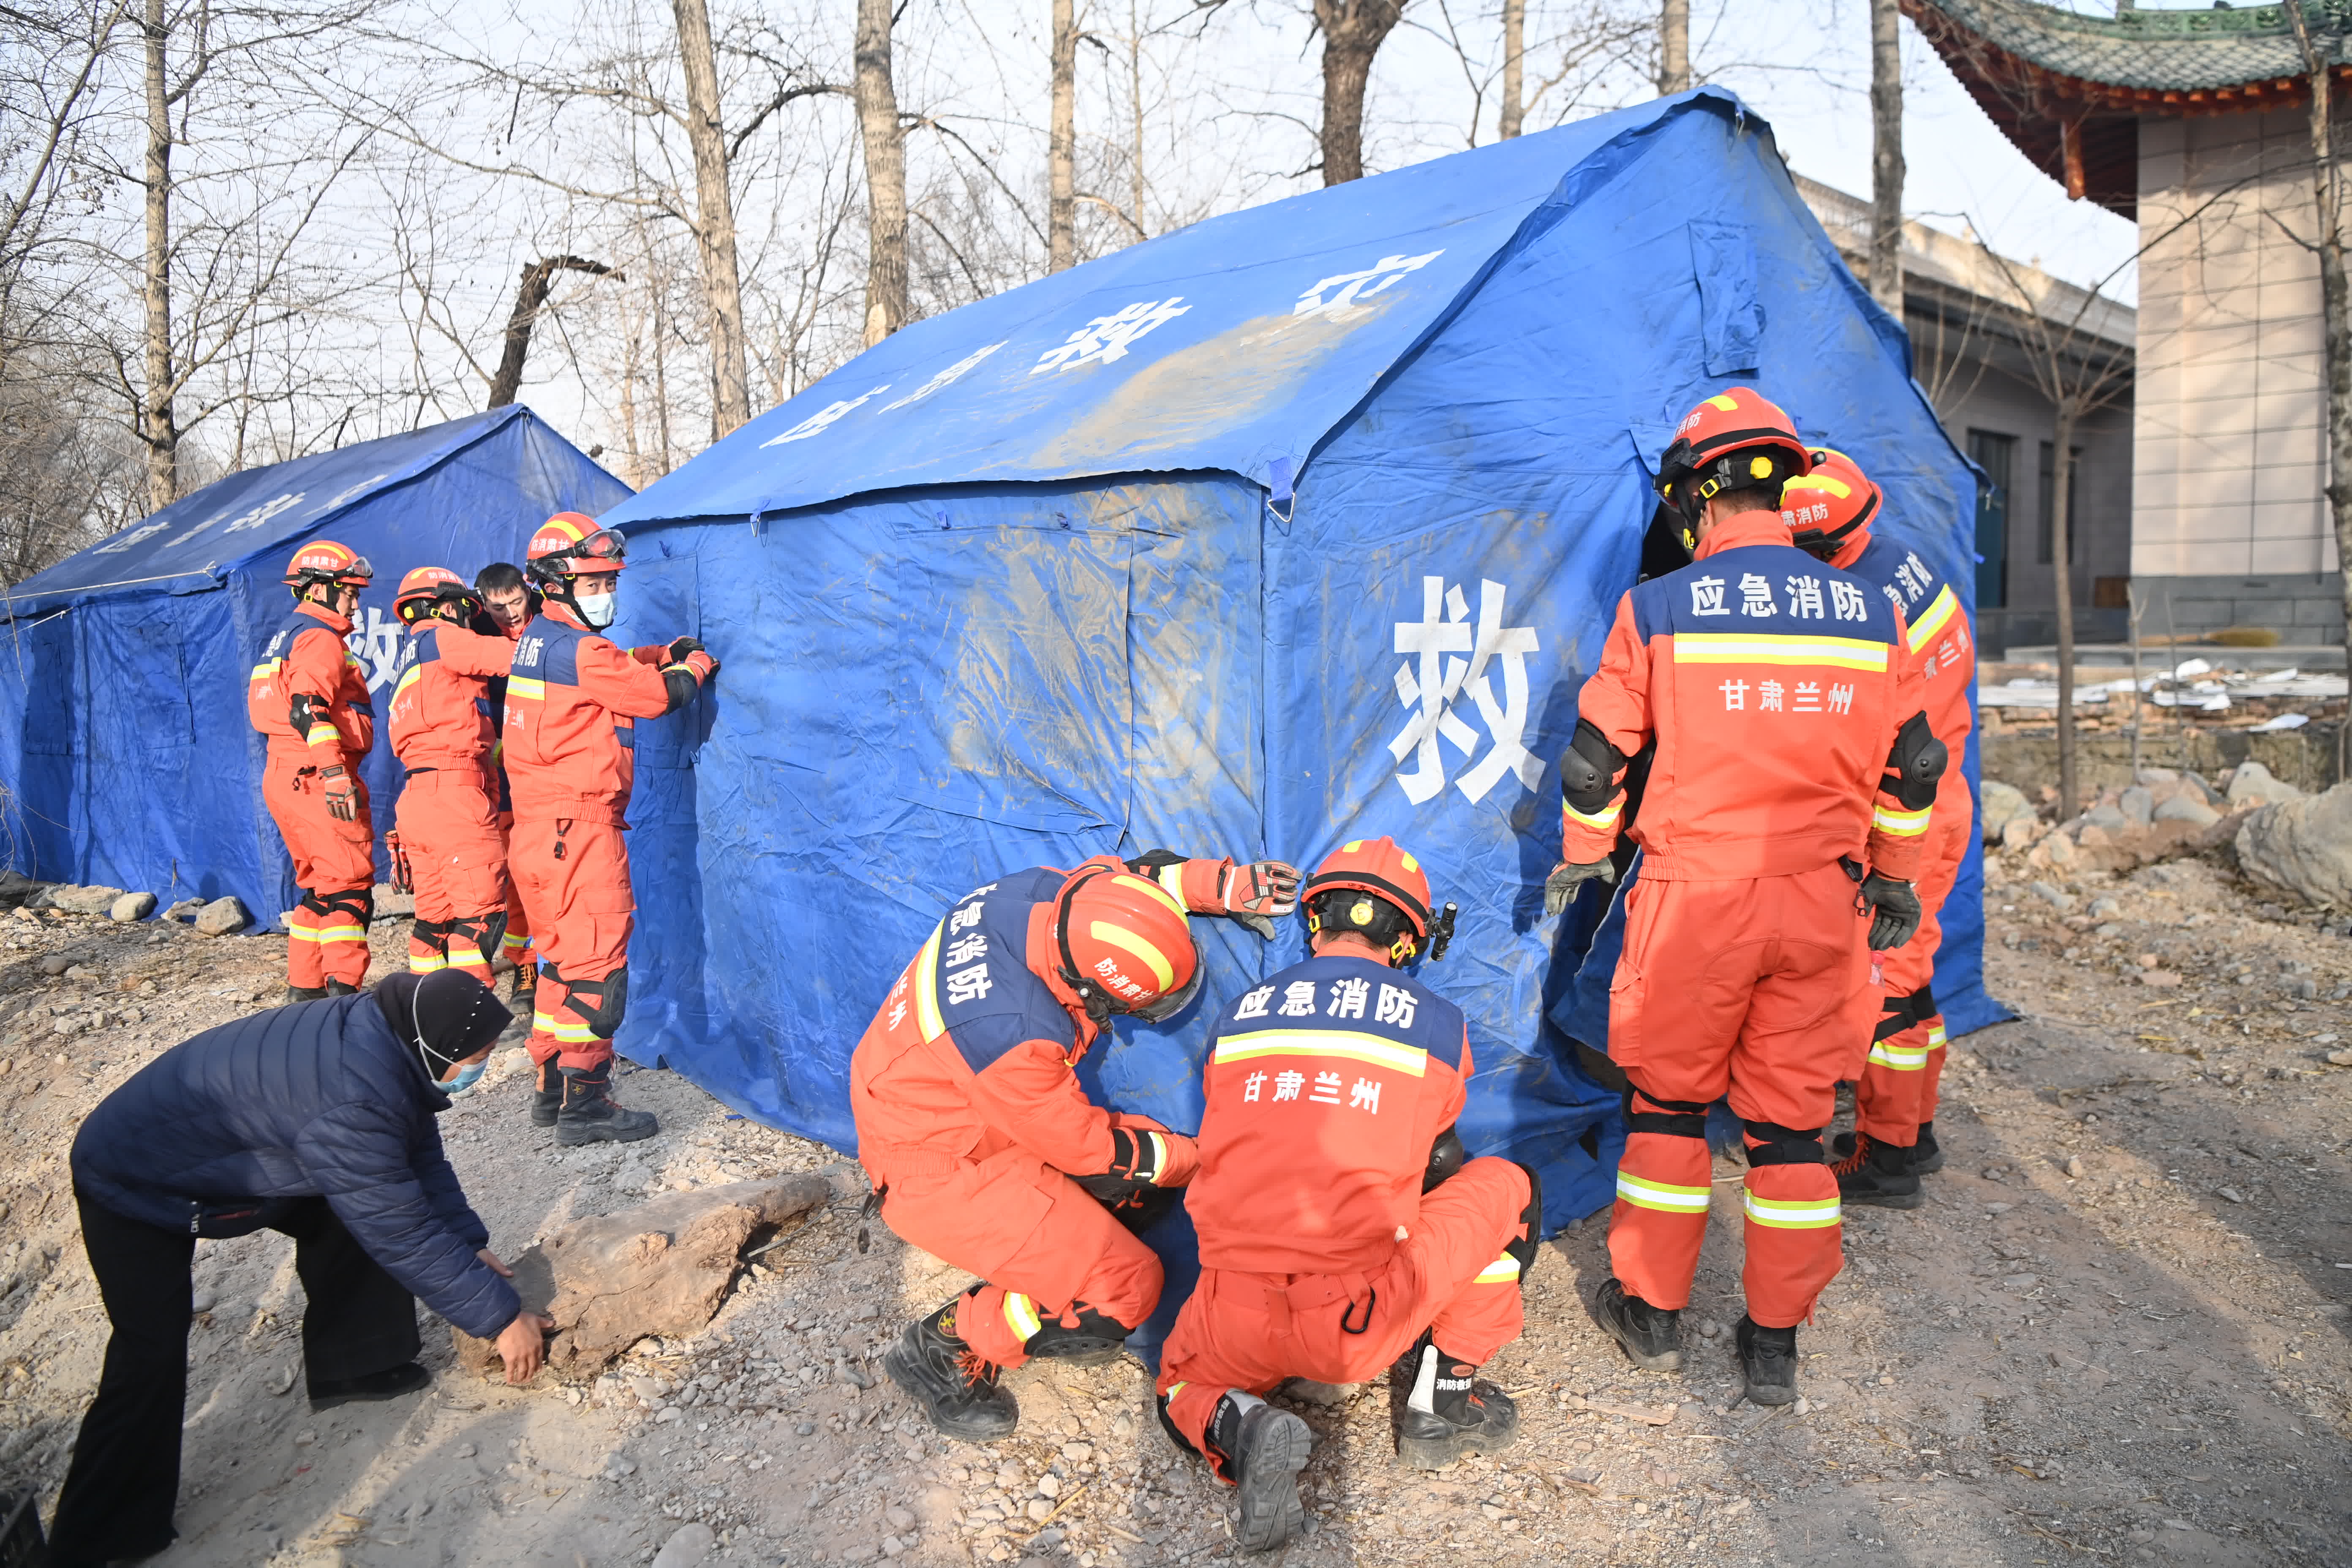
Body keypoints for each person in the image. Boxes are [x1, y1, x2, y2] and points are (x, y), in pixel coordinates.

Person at [1544, 387, 1946, 1407]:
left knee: (1669, 1105)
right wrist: (1894, 876)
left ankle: (1652, 1315)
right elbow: (1913, 766)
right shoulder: (1871, 613)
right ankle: (1773, 1341)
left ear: (1695, 497)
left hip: (1694, 903)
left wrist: (1585, 853)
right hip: (1824, 904)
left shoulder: (1659, 606)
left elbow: (1594, 761)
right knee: (1791, 1129)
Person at [46, 971, 552, 1568]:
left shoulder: (387, 1038)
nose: (481, 1067)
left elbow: (414, 1150)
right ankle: (98, 1537)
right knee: (148, 1348)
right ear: (435, 1045)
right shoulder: (354, 1097)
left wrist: (466, 1241)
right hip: (131, 1174)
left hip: (227, 1145)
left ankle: (357, 1365)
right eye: (477, 1055)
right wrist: (499, 1319)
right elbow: (399, 1227)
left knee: (345, 1212)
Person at [1154, 838, 1538, 1552]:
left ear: (1314, 920)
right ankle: (1442, 1403)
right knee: (1507, 1189)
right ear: (1408, 941)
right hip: (1354, 1317)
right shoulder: (1435, 1022)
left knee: (1177, 1387)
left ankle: (1243, 1423)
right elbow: (1438, 1149)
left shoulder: (1239, 1014)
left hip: (1231, 1305)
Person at [856, 850, 1300, 1440]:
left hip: (937, 1095)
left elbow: (1134, 881)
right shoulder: (1013, 1037)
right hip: (938, 1164)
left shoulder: (1043, 893)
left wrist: (1221, 885)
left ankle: (1054, 1268)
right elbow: (1089, 1150)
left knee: (1139, 1177)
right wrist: (1201, 1159)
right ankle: (948, 1343)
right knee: (1127, 1288)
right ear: (1088, 990)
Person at [1781, 448, 1978, 1206]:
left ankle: (1887, 1158)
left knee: (1886, 986)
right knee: (1914, 979)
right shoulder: (1899, 562)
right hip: (1942, 800)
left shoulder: (1859, 602)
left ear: (1821, 547)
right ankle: (1915, 1133)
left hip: (1906, 817)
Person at [504, 513, 717, 1145]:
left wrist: (654, 655)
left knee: (560, 963)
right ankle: (587, 1103)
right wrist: (693, 664)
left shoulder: (539, 641)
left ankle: (551, 1087)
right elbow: (655, 697)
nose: (606, 594)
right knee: (599, 967)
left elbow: (616, 670)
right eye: (594, 583)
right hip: (579, 832)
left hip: (538, 834)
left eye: (610, 582)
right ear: (556, 585)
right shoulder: (582, 651)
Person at [249, 540, 379, 1001]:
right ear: (320, 590)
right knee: (347, 888)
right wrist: (335, 774)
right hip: (317, 775)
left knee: (319, 889)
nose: (355, 603)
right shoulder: (320, 638)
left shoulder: (286, 635)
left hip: (286, 774)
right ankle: (343, 1003)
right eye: (350, 592)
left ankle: (305, 995)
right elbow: (308, 708)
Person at [387, 567, 522, 986]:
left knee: (435, 923)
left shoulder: (410, 659)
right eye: (467, 612)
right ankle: (468, 1018)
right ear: (447, 608)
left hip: (418, 798)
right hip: (456, 797)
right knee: (480, 919)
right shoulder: (445, 638)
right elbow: (519, 659)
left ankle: (425, 1015)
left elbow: (453, 724)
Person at [474, 561, 539, 1003]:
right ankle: (523, 964)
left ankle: (539, 965)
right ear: (483, 605)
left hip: (548, 769)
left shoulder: (551, 622)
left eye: (517, 602)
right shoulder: (473, 634)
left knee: (541, 873)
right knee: (511, 875)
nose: (512, 614)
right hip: (501, 778)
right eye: (500, 608)